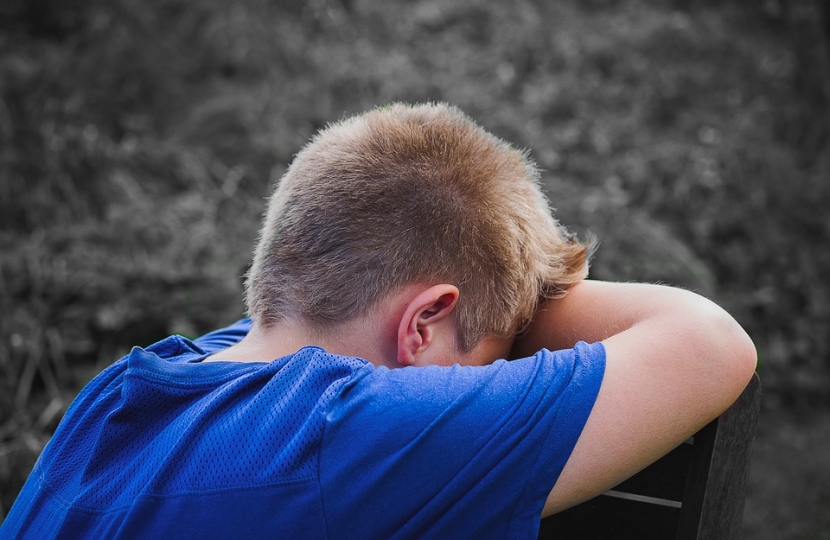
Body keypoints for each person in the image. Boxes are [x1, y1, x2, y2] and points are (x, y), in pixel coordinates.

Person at [0, 103, 757, 539]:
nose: (480, 385)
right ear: (423, 324)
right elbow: (710, 344)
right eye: (487, 363)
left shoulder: (121, 393)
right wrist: (527, 297)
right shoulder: (347, 432)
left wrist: (504, 293)